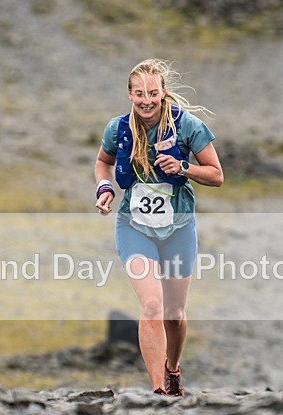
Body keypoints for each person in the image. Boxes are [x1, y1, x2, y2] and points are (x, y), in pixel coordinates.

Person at [94, 59, 223, 396]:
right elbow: (103, 163)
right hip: (134, 226)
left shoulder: (188, 126)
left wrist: (183, 167)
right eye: (139, 94)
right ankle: (157, 391)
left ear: (164, 92)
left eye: (153, 93)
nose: (146, 101)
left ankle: (173, 368)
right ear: (129, 95)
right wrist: (104, 189)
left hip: (178, 228)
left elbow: (217, 175)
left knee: (174, 313)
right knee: (151, 304)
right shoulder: (117, 129)